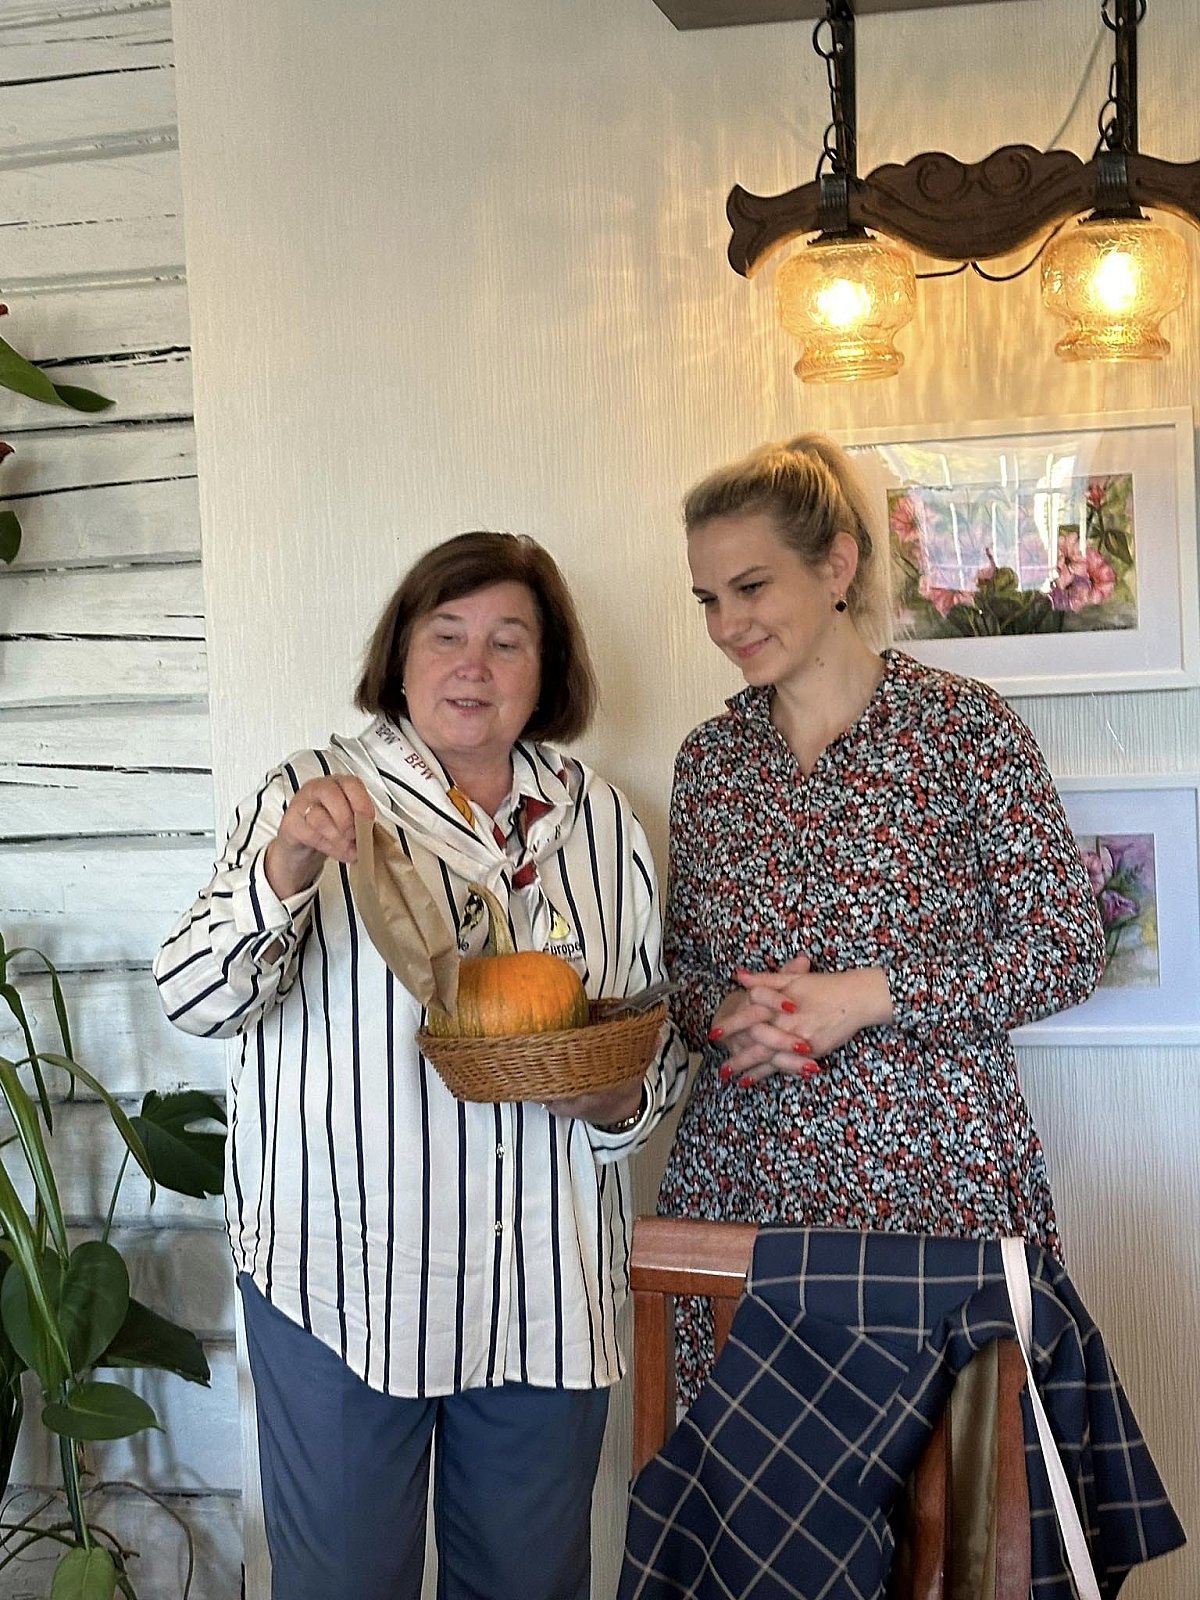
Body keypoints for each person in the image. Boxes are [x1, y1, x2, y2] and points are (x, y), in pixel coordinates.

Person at [154, 531, 687, 1600]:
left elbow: (650, 1038)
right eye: (446, 635)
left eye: (508, 640)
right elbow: (194, 998)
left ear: (547, 670)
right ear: (400, 656)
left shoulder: (601, 821)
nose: (473, 665)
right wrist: (286, 867)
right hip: (344, 1282)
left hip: (545, 1287)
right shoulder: (312, 792)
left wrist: (621, 1098)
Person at [656, 434, 1106, 1404]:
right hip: (743, 1181)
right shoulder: (710, 762)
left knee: (954, 1485)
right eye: (708, 598)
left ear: (836, 565)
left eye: (750, 587)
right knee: (753, 1477)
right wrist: (724, 1013)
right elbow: (681, 972)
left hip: (935, 1180)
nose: (728, 623)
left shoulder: (964, 730)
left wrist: (865, 996)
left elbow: (1066, 949)